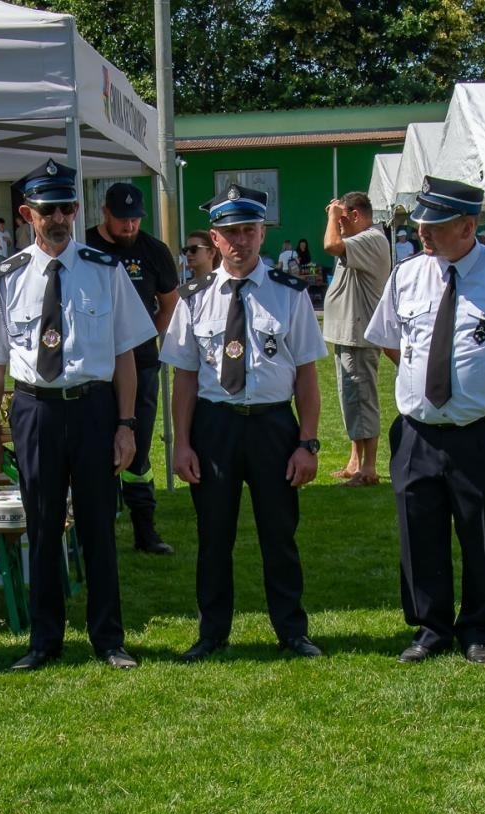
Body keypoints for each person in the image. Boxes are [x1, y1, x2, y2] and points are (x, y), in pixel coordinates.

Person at [0, 159, 155, 671]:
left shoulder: (105, 270)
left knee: (97, 527)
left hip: (93, 409)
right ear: (28, 213)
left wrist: (126, 425)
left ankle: (109, 640)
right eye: (49, 210)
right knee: (43, 528)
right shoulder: (5, 278)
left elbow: (125, 357)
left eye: (68, 208)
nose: (60, 218)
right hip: (36, 411)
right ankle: (44, 641)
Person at [364, 176, 485, 664]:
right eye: (422, 223)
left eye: (437, 225)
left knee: (482, 532)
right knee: (418, 528)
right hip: (419, 430)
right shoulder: (407, 274)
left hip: (483, 431)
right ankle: (430, 627)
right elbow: (389, 340)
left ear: (469, 226)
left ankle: (479, 629)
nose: (424, 233)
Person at [163, 184, 325, 663]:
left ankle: (292, 631)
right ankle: (212, 632)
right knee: (214, 537)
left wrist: (308, 443)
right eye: (230, 232)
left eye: (249, 230)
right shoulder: (193, 299)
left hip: (274, 426)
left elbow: (308, 377)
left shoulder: (290, 295)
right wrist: (182, 444)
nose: (241, 241)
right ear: (215, 238)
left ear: (262, 232)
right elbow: (185, 379)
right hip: (216, 428)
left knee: (280, 534)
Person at [86, 181, 180, 556]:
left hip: (140, 367)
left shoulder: (154, 251)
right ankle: (98, 531)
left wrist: (143, 338)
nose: (129, 227)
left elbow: (169, 304)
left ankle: (145, 531)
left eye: (135, 220)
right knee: (94, 449)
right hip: (93, 369)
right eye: (122, 220)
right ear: (105, 215)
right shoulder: (85, 246)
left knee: (136, 453)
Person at [322, 190, 393, 488]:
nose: (338, 226)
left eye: (342, 220)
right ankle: (355, 461)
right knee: (351, 398)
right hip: (348, 333)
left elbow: (330, 245)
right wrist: (336, 217)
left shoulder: (372, 239)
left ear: (355, 216)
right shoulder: (357, 241)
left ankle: (369, 468)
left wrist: (331, 217)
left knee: (362, 399)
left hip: (359, 335)